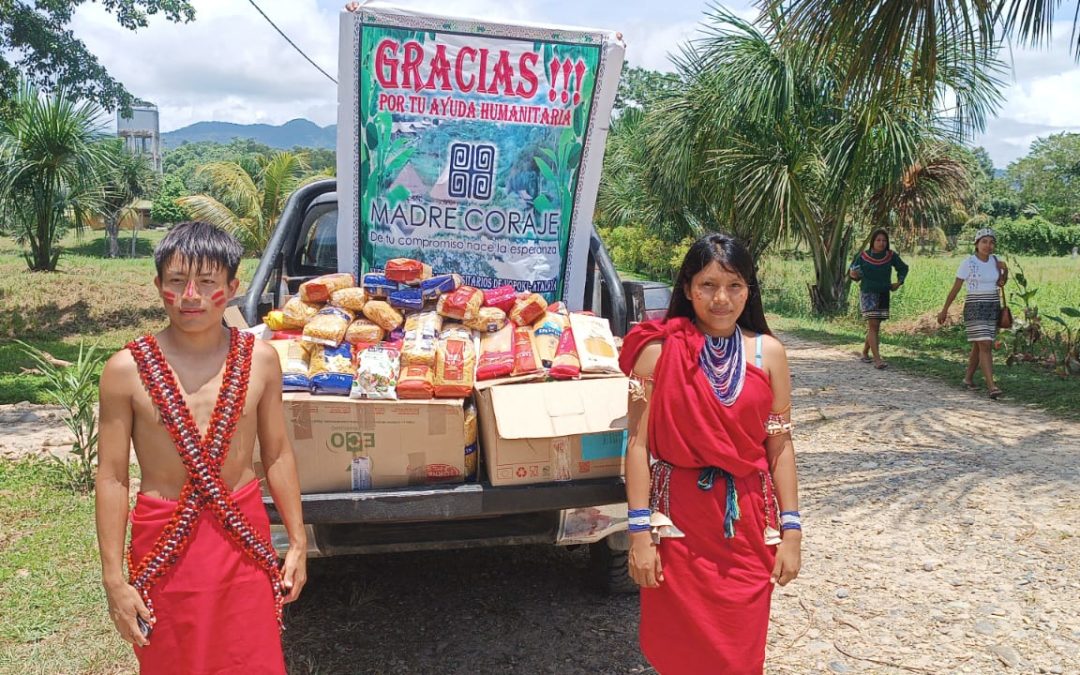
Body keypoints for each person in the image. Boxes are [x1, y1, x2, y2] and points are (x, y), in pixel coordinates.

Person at [96, 222, 307, 674]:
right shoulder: (125, 371)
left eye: (207, 282)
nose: (191, 295)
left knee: (251, 659)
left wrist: (298, 540)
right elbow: (112, 478)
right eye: (176, 281)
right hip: (163, 545)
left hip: (243, 540)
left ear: (232, 287)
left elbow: (277, 454)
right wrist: (114, 580)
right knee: (173, 659)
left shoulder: (261, 361)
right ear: (158, 286)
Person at [619, 233, 802, 674]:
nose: (721, 298)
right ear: (687, 288)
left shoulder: (768, 354)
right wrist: (639, 534)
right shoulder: (656, 354)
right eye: (707, 285)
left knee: (741, 648)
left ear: (749, 290)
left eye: (734, 285)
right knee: (678, 647)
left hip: (746, 524)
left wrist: (792, 531)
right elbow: (638, 446)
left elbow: (779, 445)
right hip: (677, 522)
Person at [937, 227, 1009, 399]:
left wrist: (1005, 271)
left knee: (980, 345)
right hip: (975, 307)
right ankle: (991, 386)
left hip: (992, 306)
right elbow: (956, 288)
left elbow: (1001, 283)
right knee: (985, 344)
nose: (988, 245)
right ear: (976, 244)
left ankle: (968, 379)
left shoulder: (996, 261)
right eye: (984, 241)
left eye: (991, 242)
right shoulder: (968, 263)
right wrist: (944, 310)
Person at [849, 228, 909, 370]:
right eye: (878, 240)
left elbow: (903, 268)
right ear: (873, 242)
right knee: (874, 325)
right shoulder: (863, 256)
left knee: (875, 326)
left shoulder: (890, 256)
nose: (881, 243)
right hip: (868, 293)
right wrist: (853, 274)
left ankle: (864, 352)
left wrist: (899, 282)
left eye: (884, 240)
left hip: (883, 293)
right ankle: (877, 360)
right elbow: (854, 273)